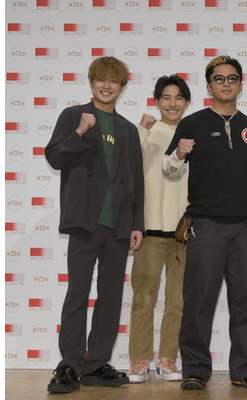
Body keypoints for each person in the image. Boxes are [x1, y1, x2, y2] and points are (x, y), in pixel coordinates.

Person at [162, 55, 247, 391]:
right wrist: (179, 154)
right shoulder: (192, 124)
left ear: (241, 84)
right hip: (205, 225)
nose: (226, 84)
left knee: (246, 303)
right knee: (198, 302)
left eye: (232, 78)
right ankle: (195, 370)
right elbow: (169, 170)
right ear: (209, 85)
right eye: (219, 79)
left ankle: (245, 370)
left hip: (244, 229)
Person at [44, 56, 144, 393]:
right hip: (85, 222)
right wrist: (79, 132)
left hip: (119, 224)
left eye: (113, 81)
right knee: (77, 292)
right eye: (101, 79)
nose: (106, 86)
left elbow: (136, 180)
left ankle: (97, 363)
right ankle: (69, 364)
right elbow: (55, 157)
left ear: (122, 87)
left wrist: (137, 223)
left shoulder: (128, 129)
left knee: (111, 296)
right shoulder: (73, 116)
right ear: (91, 82)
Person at [127, 75, 191, 383]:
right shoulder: (146, 131)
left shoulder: (195, 134)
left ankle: (168, 360)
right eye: (166, 97)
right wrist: (141, 129)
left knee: (177, 301)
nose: (172, 103)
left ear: (187, 102)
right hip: (150, 229)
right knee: (143, 298)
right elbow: (127, 168)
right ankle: (139, 361)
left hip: (183, 232)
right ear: (157, 101)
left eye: (179, 97)